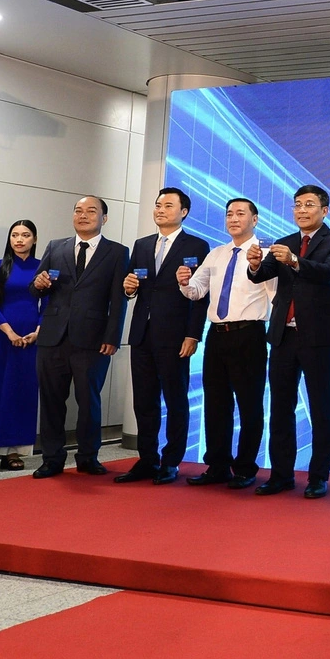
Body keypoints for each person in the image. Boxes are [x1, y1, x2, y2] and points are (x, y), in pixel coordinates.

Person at [246, 185, 330, 498]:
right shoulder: (284, 241)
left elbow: (327, 272)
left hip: (318, 335)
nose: (302, 210)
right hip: (283, 335)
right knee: (280, 408)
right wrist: (253, 263)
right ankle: (281, 475)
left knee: (321, 408)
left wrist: (293, 261)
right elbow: (260, 274)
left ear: (325, 210)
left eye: (309, 205)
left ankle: (319, 477)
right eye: (297, 205)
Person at [178, 198, 275, 489]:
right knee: (216, 404)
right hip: (217, 335)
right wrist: (184, 282)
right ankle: (217, 465)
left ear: (255, 220)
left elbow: (276, 296)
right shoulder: (217, 254)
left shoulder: (266, 253)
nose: (233, 218)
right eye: (229, 214)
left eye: (240, 214)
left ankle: (245, 468)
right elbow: (197, 292)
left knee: (249, 405)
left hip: (250, 334)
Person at [116, 188, 210, 486]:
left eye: (168, 205)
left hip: (175, 335)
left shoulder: (196, 245)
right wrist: (128, 287)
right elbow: (132, 286)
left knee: (175, 400)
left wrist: (193, 334)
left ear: (183, 211)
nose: (160, 209)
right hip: (142, 334)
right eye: (158, 205)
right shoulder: (142, 245)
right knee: (144, 401)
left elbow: (201, 296)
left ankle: (171, 461)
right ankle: (147, 459)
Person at [31, 196, 130, 478]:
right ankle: (52, 458)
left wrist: (113, 335)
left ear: (104, 218)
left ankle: (88, 456)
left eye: (91, 211)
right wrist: (38, 284)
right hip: (53, 337)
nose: (83, 215)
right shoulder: (55, 246)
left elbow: (118, 298)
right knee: (51, 400)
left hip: (93, 339)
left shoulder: (117, 253)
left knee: (88, 400)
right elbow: (37, 289)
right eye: (78, 211)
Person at [0, 221, 43, 471]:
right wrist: (10, 332)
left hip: (31, 338)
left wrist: (37, 332)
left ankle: (14, 450)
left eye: (25, 235)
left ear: (34, 239)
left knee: (23, 391)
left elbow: (48, 305)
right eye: (15, 235)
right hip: (1, 335)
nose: (19, 239)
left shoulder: (41, 268)